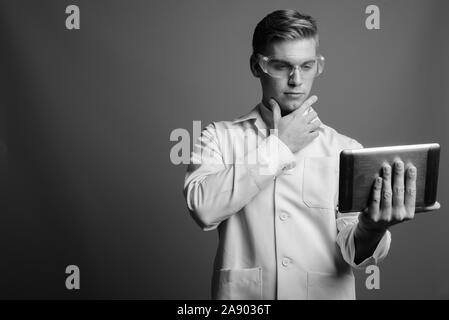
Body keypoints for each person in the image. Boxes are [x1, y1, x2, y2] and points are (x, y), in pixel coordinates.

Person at [183, 9, 438, 299]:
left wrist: (373, 227)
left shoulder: (346, 149)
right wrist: (280, 148)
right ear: (257, 66)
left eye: (306, 66)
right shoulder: (219, 136)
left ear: (319, 65)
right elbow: (204, 209)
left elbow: (353, 250)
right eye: (281, 66)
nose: (296, 80)